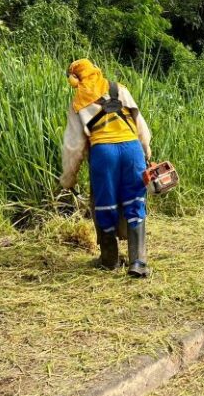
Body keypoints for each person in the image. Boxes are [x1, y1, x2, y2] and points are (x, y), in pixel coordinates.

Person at [59, 59, 153, 278]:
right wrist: (146, 150)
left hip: (104, 154)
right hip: (132, 150)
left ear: (75, 79)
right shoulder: (119, 89)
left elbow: (73, 147)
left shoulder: (78, 102)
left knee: (105, 205)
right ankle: (138, 262)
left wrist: (68, 178)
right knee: (135, 201)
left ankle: (109, 260)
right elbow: (140, 125)